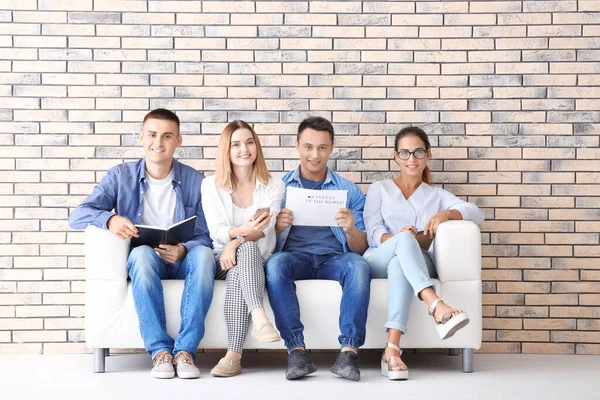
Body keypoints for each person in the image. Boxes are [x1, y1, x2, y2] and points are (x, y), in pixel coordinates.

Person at [68, 109, 215, 379]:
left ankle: (185, 352)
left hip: (184, 260)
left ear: (178, 141)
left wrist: (185, 249)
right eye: (152, 134)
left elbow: (208, 235)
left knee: (204, 255)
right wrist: (109, 219)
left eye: (167, 136)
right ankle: (160, 351)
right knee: (141, 255)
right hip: (147, 261)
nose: (158, 142)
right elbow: (77, 215)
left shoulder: (196, 180)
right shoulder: (120, 176)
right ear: (141, 137)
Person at [363, 126, 485, 380]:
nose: (412, 159)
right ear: (395, 156)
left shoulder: (437, 195)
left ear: (428, 155)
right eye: (405, 153)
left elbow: (476, 213)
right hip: (378, 257)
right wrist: (397, 239)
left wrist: (445, 214)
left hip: (417, 263)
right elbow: (372, 232)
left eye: (418, 152)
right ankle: (436, 305)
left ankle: (392, 351)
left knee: (401, 265)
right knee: (401, 246)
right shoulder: (380, 189)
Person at [265, 116, 371, 382]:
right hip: (294, 257)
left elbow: (359, 248)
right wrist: (277, 228)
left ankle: (348, 352)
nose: (315, 154)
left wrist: (351, 229)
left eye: (322, 148)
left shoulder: (349, 191)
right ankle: (296, 351)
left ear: (331, 148)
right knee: (276, 264)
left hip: (334, 258)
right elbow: (266, 246)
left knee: (359, 266)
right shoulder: (279, 188)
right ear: (297, 146)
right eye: (309, 147)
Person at [201, 120, 285, 377]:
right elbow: (216, 230)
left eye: (249, 142)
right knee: (244, 253)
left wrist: (235, 241)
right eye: (236, 144)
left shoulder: (274, 184)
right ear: (226, 150)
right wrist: (238, 235)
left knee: (245, 255)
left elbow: (264, 230)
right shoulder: (211, 184)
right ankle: (260, 319)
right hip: (220, 259)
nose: (244, 149)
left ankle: (233, 357)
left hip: (255, 258)